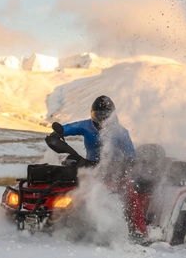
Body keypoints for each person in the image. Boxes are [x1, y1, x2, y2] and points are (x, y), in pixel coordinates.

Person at [47, 95, 147, 237]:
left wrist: (128, 162)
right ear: (92, 113)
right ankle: (67, 223)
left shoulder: (120, 132)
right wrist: (60, 131)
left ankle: (140, 230)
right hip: (90, 167)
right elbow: (71, 127)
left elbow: (130, 153)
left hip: (116, 169)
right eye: (97, 115)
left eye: (105, 115)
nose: (101, 119)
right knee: (74, 191)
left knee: (131, 195)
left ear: (112, 115)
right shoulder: (86, 126)